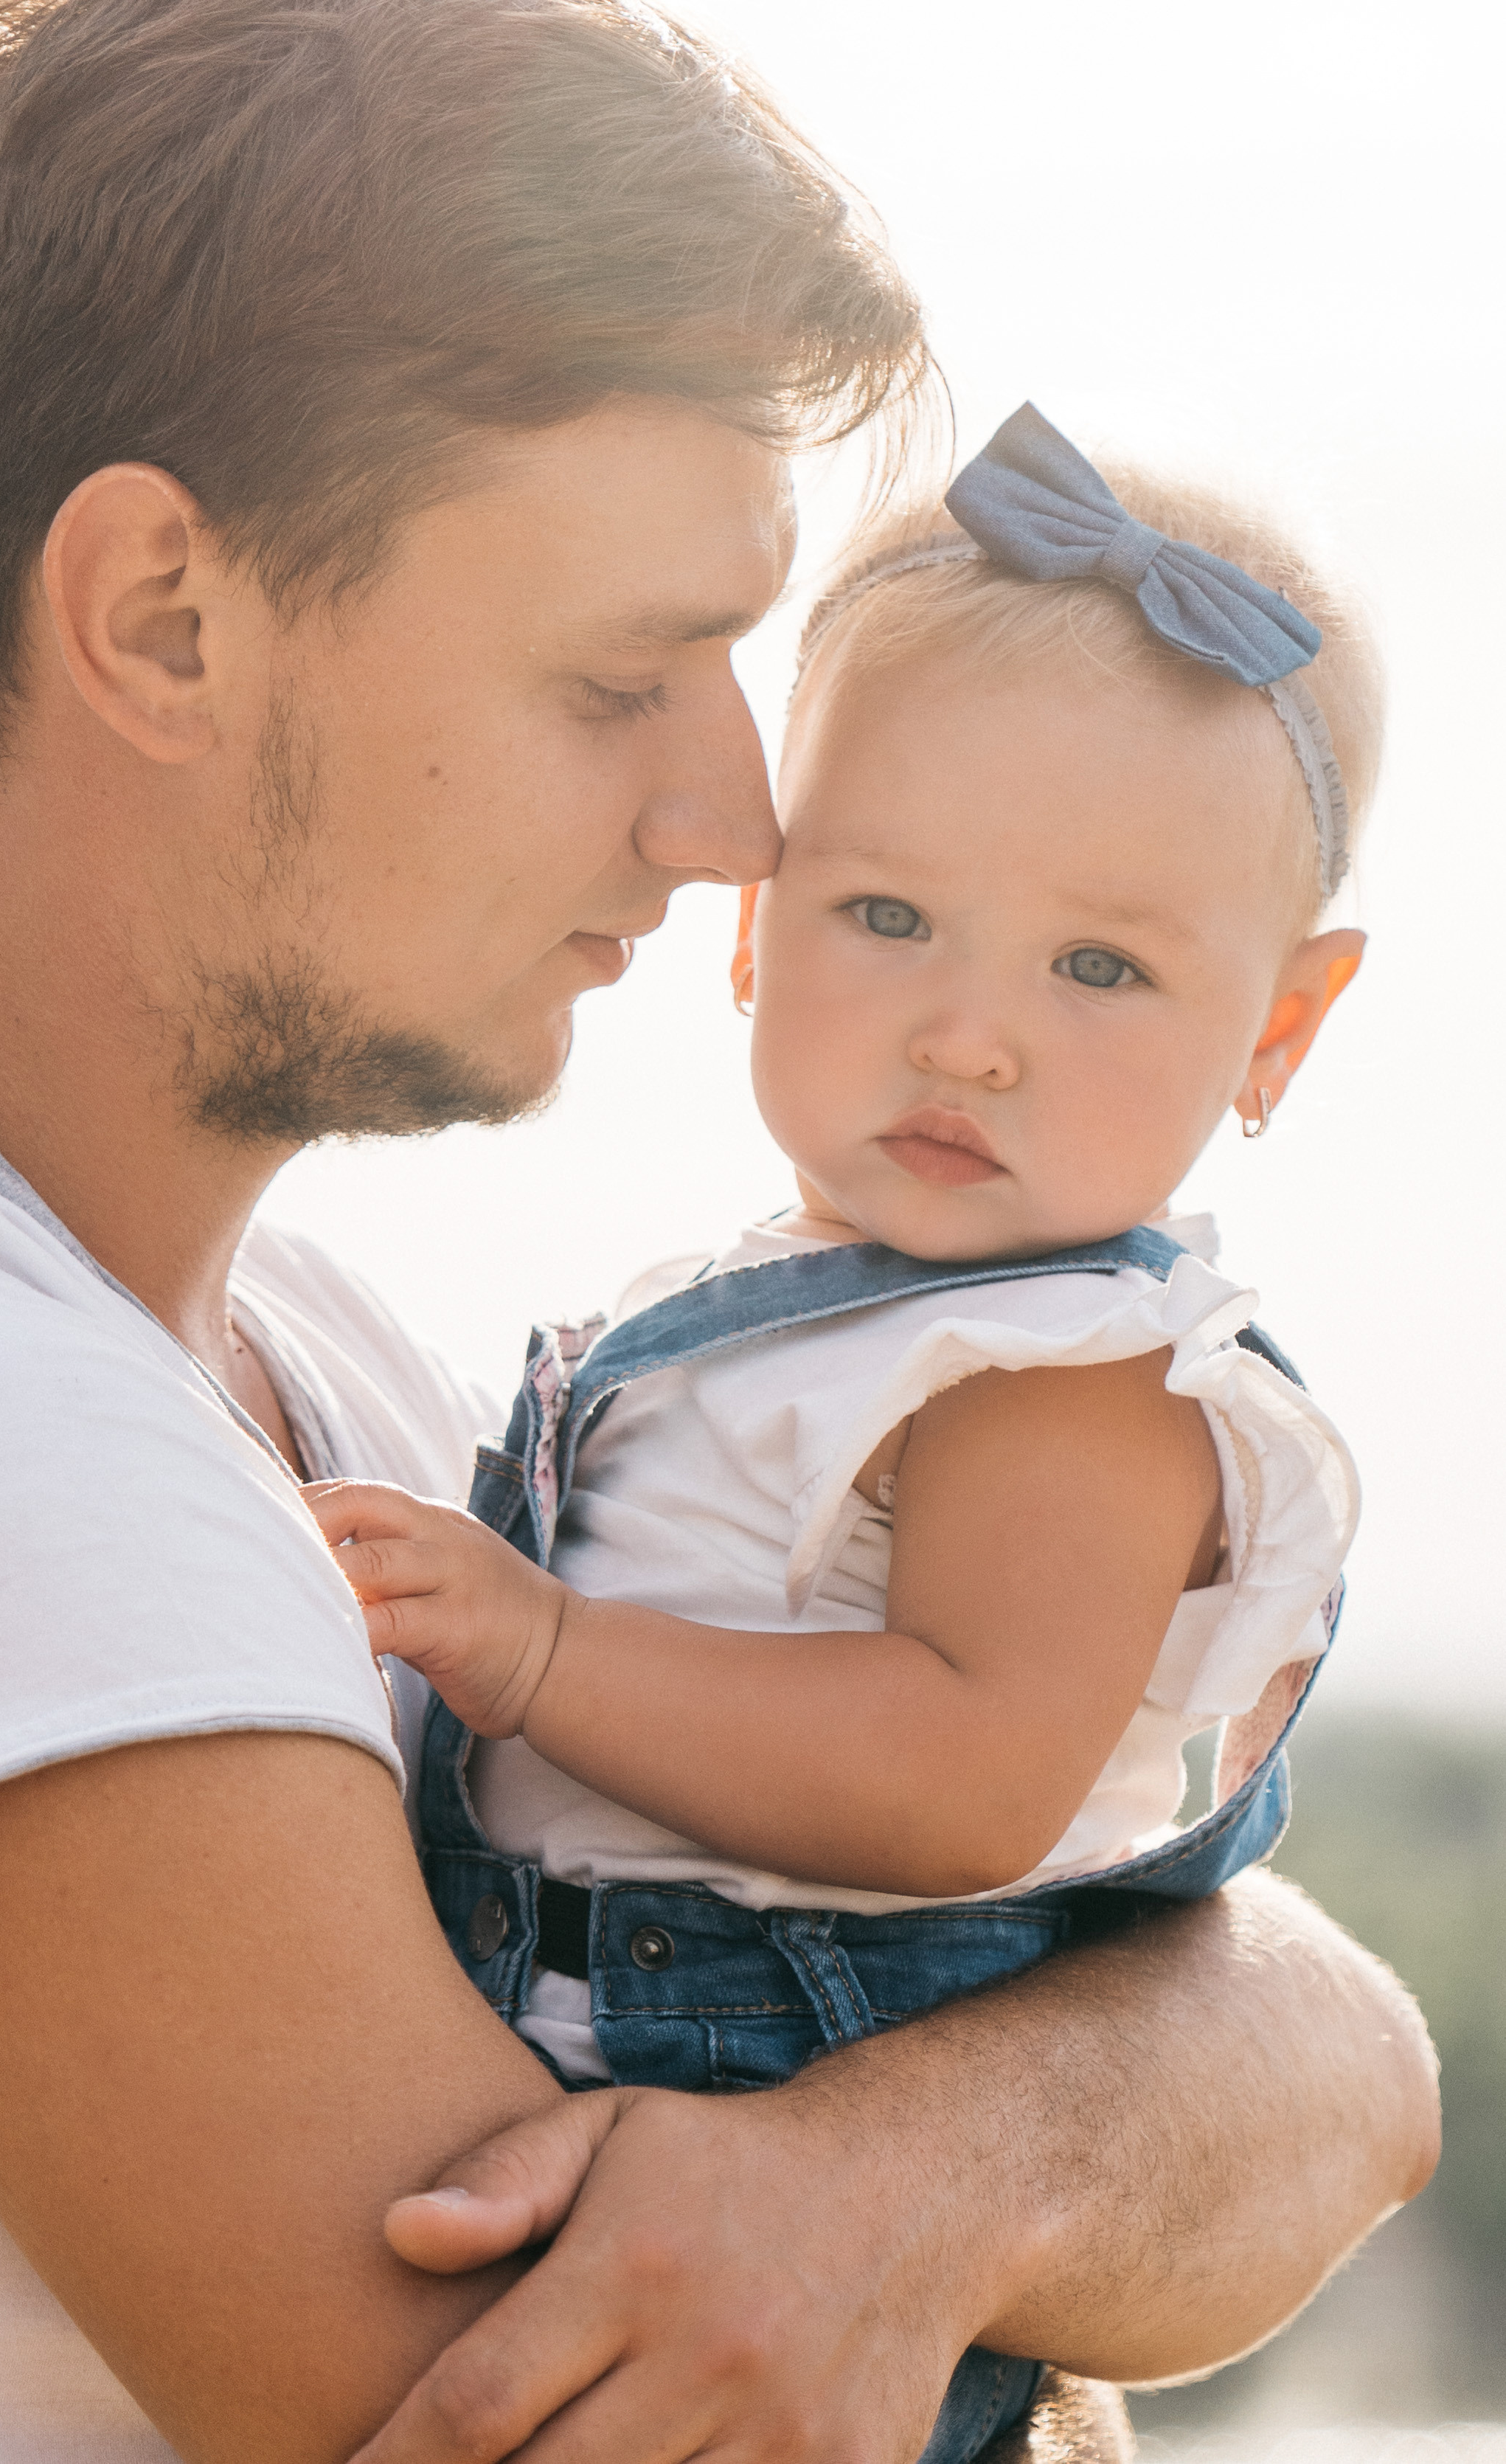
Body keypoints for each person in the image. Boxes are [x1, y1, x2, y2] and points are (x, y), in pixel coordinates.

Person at [0, 2, 1435, 2460]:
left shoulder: (331, 1361)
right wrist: (1006, 2234)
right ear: (164, 615)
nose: (735, 819)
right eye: (624, 676)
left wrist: (909, 2182)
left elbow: (1354, 2069)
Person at [305, 409, 1376, 2462]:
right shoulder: (805, 1310)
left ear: (1276, 1029)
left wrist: (541, 1653)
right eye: (886, 916)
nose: (971, 1030)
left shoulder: (1062, 1375)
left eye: (1097, 965)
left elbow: (964, 1775)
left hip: (762, 2087)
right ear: (749, 921)